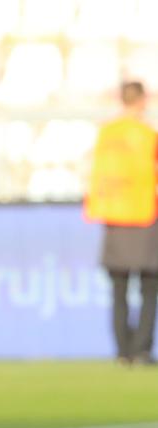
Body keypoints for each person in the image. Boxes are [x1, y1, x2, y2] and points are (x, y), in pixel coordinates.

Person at [85, 80, 158, 365]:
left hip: (114, 217)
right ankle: (141, 349)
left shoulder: (106, 134)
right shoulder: (147, 135)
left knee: (118, 290)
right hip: (143, 217)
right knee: (150, 287)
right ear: (141, 101)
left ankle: (122, 351)